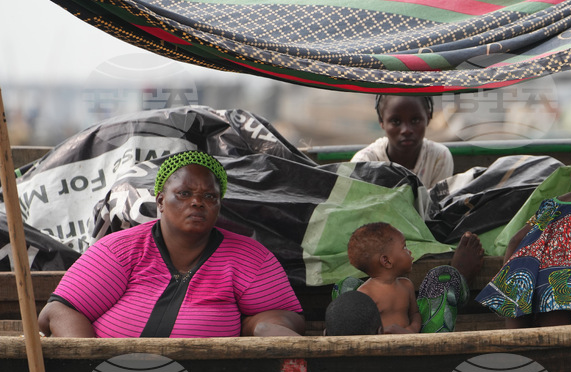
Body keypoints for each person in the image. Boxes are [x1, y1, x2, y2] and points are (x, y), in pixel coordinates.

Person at [37, 150, 305, 338]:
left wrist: (257, 326)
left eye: (209, 196)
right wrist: (88, 366)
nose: (197, 202)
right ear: (161, 201)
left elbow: (288, 317)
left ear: (219, 206)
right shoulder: (119, 250)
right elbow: (58, 310)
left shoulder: (249, 258)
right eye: (184, 194)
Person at [475, 139, 571, 327]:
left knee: (517, 345)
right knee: (556, 344)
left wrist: (510, 286)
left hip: (519, 283)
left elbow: (514, 241)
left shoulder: (551, 205)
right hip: (556, 288)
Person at [333, 222, 484, 335]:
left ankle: (456, 281)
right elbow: (360, 333)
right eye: (404, 247)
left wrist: (411, 331)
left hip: (413, 342)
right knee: (345, 288)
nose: (410, 252)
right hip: (381, 352)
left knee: (443, 275)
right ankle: (459, 278)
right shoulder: (364, 295)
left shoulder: (406, 285)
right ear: (387, 261)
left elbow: (415, 314)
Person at [351, 94, 454, 188]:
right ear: (381, 121)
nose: (406, 130)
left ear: (428, 118)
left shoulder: (439, 157)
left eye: (415, 120)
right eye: (396, 121)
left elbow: (438, 205)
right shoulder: (364, 162)